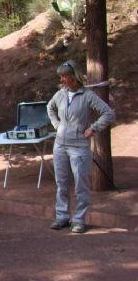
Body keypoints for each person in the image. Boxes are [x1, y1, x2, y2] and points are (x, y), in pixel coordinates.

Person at [47, 60, 115, 234]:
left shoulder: (87, 95)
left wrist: (93, 128)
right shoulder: (60, 94)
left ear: (74, 76)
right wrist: (57, 125)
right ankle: (62, 217)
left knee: (80, 185)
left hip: (79, 147)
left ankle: (79, 220)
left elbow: (108, 113)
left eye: (65, 76)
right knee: (61, 183)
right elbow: (50, 107)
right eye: (61, 76)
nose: (62, 79)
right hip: (60, 145)